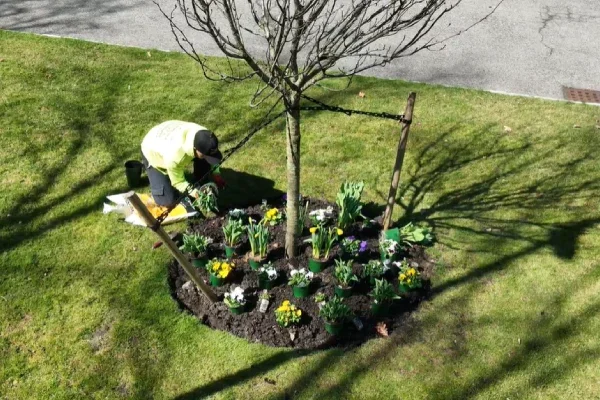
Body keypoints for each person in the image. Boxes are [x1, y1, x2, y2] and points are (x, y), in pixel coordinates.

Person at [141, 120, 226, 207]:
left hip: (171, 130)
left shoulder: (206, 136)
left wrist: (216, 173)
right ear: (195, 148)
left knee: (203, 157)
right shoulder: (175, 155)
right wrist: (194, 192)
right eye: (205, 155)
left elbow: (211, 155)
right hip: (151, 148)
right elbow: (178, 182)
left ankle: (200, 178)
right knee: (168, 201)